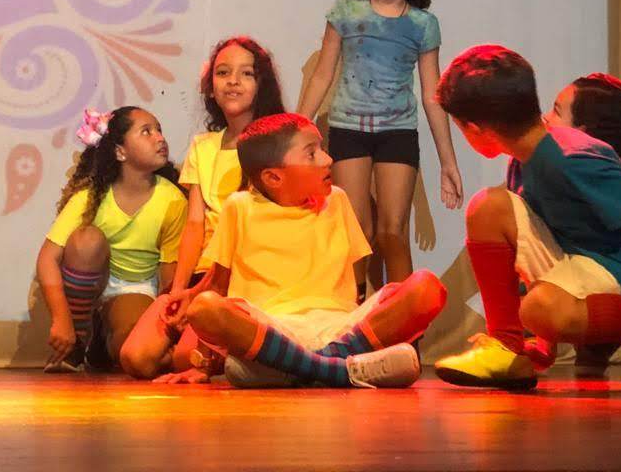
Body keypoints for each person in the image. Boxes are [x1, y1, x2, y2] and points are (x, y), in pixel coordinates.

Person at [433, 45, 621, 392]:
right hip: (582, 262)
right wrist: (543, 343)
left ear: (477, 129)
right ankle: (507, 348)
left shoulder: (572, 157)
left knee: (539, 309)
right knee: (487, 208)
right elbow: (553, 243)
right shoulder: (521, 159)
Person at [160, 113, 445, 388]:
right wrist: (202, 364)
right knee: (204, 308)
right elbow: (218, 285)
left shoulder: (337, 200)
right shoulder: (239, 206)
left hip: (340, 328)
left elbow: (356, 290)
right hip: (273, 329)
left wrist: (372, 319)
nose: (327, 159)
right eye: (311, 154)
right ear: (274, 178)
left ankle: (300, 368)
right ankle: (343, 369)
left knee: (426, 288)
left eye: (322, 149)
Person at [297, 0, 463, 289]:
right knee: (356, 232)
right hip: (348, 127)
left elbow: (433, 95)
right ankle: (352, 311)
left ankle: (406, 316)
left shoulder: (423, 24)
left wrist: (448, 162)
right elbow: (322, 75)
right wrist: (296, 130)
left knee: (393, 231)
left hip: (397, 131)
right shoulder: (346, 10)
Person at [118, 35, 285, 378]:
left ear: (262, 84)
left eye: (246, 73)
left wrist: (201, 292)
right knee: (135, 358)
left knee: (185, 358)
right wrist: (180, 290)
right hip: (200, 277)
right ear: (211, 86)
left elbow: (250, 238)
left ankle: (222, 353)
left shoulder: (272, 145)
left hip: (238, 279)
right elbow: (195, 225)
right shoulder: (203, 146)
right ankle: (213, 354)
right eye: (223, 73)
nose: (233, 81)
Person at [37, 107, 187, 372]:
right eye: (146, 132)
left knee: (133, 348)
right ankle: (78, 339)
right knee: (87, 240)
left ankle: (102, 345)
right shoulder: (91, 197)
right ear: (120, 152)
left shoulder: (172, 199)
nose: (160, 138)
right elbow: (47, 258)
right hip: (97, 283)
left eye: (159, 130)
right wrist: (62, 320)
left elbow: (169, 277)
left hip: (136, 288)